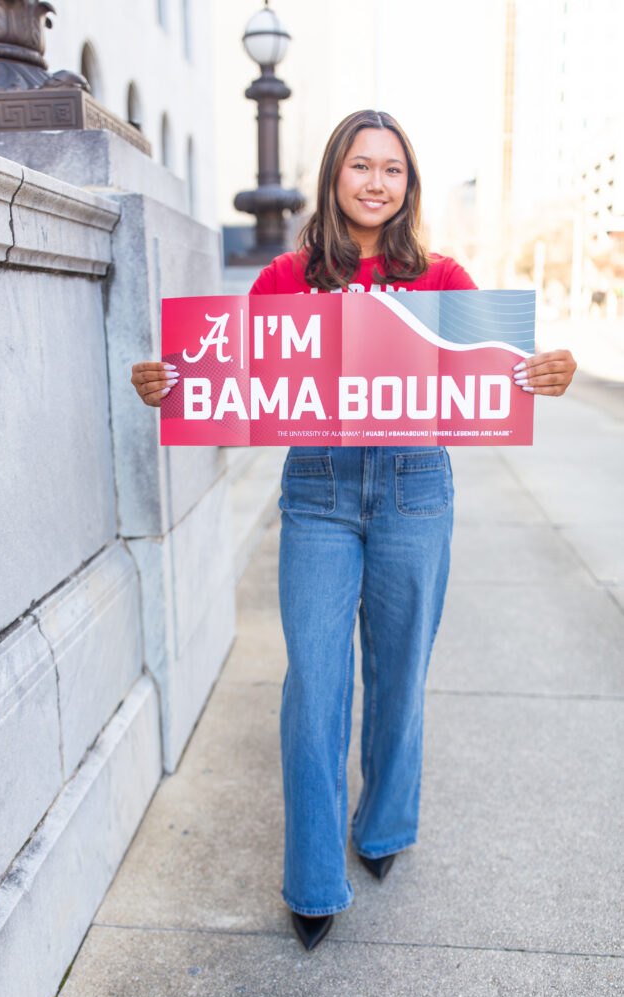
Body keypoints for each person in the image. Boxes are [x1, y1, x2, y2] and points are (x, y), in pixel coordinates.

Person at [131, 110, 577, 952]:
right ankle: (311, 880)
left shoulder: (442, 277)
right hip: (317, 494)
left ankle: (381, 828)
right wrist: (173, 384)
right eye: (362, 166)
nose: (377, 182)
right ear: (336, 173)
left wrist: (539, 372)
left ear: (407, 186)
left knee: (400, 673)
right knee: (313, 686)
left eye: (394, 170)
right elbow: (232, 380)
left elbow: (490, 374)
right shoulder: (285, 280)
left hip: (414, 489)